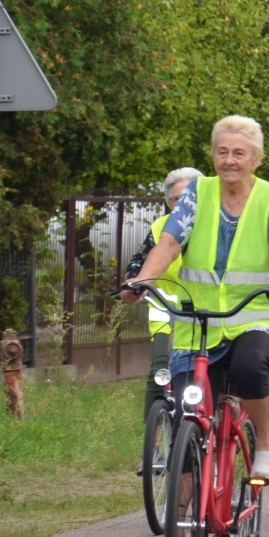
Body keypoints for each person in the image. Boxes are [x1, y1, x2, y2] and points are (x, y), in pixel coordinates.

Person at [127, 115, 269, 489]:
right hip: (199, 323)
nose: (229, 160)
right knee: (185, 417)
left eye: (239, 153)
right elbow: (171, 242)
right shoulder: (197, 192)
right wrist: (143, 279)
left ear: (255, 159)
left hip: (256, 315)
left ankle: (265, 444)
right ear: (212, 156)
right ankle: (181, 530)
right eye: (222, 152)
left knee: (249, 365)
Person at [121, 167, 203, 440]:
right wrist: (132, 281)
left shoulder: (214, 228)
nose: (183, 205)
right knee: (160, 373)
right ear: (169, 204)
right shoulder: (161, 228)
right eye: (177, 200)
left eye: (190, 198)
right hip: (165, 311)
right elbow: (139, 260)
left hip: (205, 312)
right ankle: (153, 444)